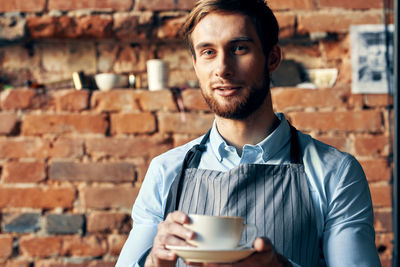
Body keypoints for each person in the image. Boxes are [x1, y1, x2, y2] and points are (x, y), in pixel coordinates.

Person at [117, 0, 381, 266]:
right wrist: (152, 261)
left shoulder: (336, 173)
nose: (222, 68)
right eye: (208, 52)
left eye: (239, 48)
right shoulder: (165, 172)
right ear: (196, 65)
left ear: (272, 58)